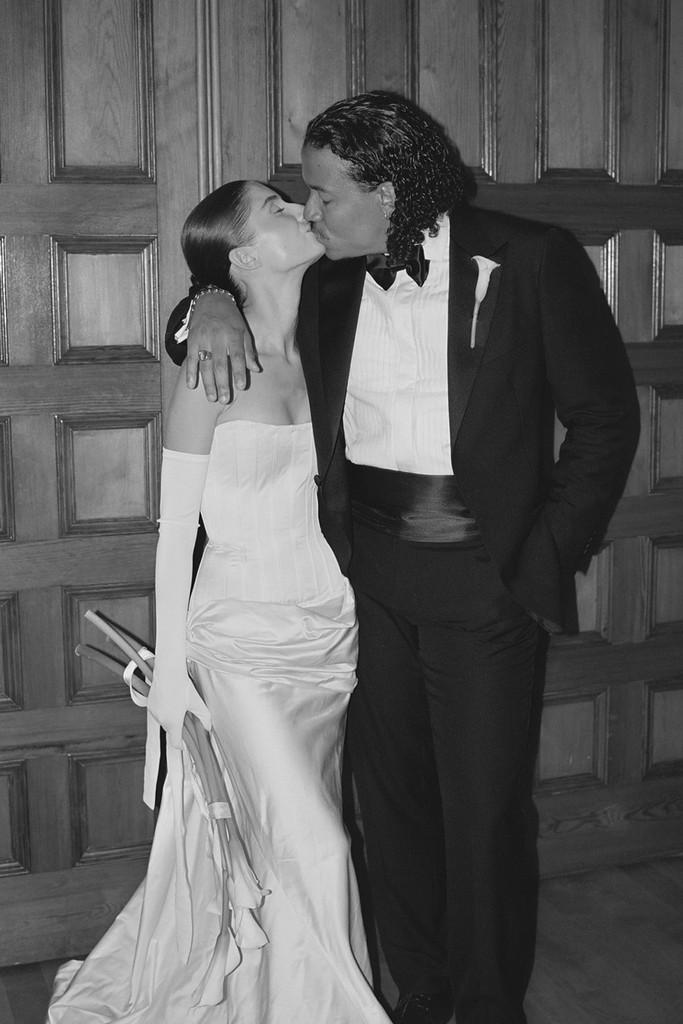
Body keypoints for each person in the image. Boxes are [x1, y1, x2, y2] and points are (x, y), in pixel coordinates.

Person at [165, 92, 641, 1024]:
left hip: (483, 578)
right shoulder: (333, 277)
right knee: (393, 807)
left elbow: (603, 420)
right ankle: (420, 990)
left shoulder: (530, 257)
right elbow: (221, 299)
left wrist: (543, 554)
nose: (310, 210)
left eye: (325, 193)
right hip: (363, 583)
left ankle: (486, 1000)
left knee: (485, 810)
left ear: (386, 191)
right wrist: (207, 302)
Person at [46, 180, 393, 1024]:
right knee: (316, 841)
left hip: (324, 627)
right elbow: (172, 534)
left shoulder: (327, 336)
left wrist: (208, 297)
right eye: (275, 209)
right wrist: (170, 675)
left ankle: (263, 995)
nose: (297, 208)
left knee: (273, 838)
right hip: (237, 637)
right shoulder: (208, 365)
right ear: (239, 257)